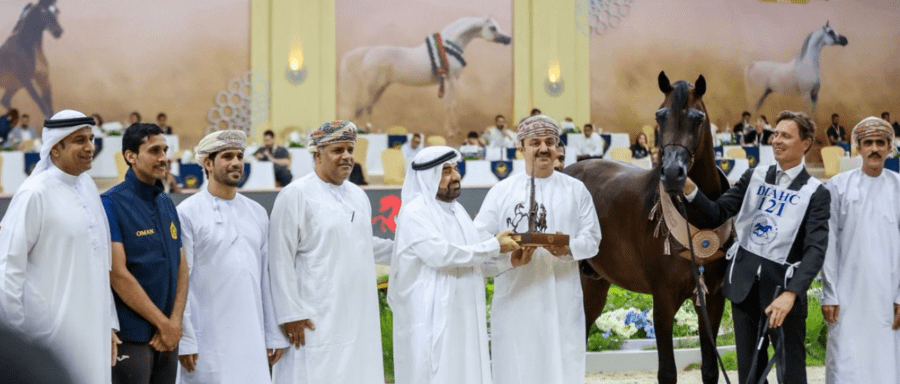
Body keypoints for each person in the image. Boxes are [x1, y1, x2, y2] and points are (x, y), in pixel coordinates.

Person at [682, 110, 830, 384]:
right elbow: (717, 213)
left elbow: (816, 251)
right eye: (775, 134)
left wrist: (792, 294)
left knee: (791, 372)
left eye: (786, 135)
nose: (777, 140)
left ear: (806, 143)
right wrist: (690, 190)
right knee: (750, 375)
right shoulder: (754, 177)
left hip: (782, 295)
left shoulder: (816, 193)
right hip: (744, 288)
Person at [474, 115, 602, 384]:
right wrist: (509, 258)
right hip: (515, 299)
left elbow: (592, 239)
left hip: (562, 300)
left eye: (549, 142)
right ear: (521, 148)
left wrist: (566, 248)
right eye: (535, 142)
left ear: (557, 148)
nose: (543, 148)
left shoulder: (576, 190)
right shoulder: (501, 192)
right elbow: (479, 242)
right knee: (517, 368)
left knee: (563, 368)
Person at [268, 120, 394, 384]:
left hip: (357, 314)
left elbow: (362, 244)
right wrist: (290, 314)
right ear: (317, 155)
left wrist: (408, 250)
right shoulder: (295, 195)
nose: (347, 156)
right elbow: (279, 258)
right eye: (338, 150)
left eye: (350, 149)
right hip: (313, 317)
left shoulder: (358, 195)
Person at [0, 110, 118, 383]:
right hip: (50, 336)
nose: (90, 147)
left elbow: (101, 263)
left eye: (90, 139)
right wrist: (21, 339)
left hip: (94, 332)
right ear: (55, 148)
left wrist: (109, 323)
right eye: (79, 140)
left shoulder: (88, 186)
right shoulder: (34, 193)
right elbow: (8, 270)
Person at [389, 146, 519, 384]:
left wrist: (509, 260)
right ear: (428, 176)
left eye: (455, 168)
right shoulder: (415, 212)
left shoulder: (457, 211)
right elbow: (442, 255)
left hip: (464, 314)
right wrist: (494, 246)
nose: (456, 176)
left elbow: (471, 262)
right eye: (446, 171)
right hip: (431, 316)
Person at [175, 130, 289, 383]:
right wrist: (186, 340)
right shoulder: (187, 213)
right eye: (227, 156)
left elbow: (265, 278)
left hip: (251, 335)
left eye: (239, 155)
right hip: (206, 338)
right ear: (207, 163)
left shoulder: (257, 212)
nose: (237, 162)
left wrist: (273, 335)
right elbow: (180, 281)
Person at [103, 123, 188, 384]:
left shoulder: (165, 202)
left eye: (165, 149)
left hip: (168, 336)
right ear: (131, 156)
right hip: (133, 335)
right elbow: (117, 274)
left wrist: (173, 323)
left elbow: (182, 267)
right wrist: (163, 324)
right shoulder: (111, 203)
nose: (163, 157)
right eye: (154, 150)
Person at [821, 116, 900, 384]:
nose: (875, 149)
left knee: (888, 361)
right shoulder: (838, 186)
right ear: (858, 148)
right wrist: (829, 293)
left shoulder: (899, 186)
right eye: (868, 143)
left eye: (881, 142)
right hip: (847, 294)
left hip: (888, 295)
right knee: (846, 361)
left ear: (890, 147)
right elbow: (829, 242)